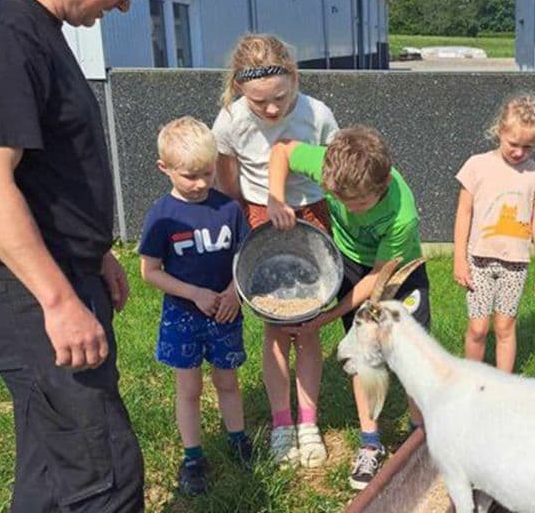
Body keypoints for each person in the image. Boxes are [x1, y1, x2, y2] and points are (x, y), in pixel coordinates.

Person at [0, 0, 180, 510]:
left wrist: (94, 250)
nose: (126, 6)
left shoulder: (35, 24)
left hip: (54, 269)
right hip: (26, 288)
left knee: (53, 466)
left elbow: (48, 167)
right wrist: (57, 301)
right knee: (101, 471)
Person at [267, 126, 430, 490]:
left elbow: (379, 279)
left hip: (396, 271)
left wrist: (326, 316)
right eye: (339, 199)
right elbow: (281, 151)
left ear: (383, 182)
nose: (349, 208)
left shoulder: (401, 215)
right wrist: (275, 199)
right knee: (362, 355)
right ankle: (370, 442)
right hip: (350, 263)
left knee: (410, 357)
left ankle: (420, 437)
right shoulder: (332, 164)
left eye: (357, 203)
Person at [212, 33, 340, 468]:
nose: (271, 110)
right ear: (239, 90)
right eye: (258, 102)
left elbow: (329, 168)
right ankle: (281, 422)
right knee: (273, 326)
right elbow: (227, 180)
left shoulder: (316, 114)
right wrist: (250, 218)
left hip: (310, 214)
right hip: (258, 217)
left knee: (307, 326)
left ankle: (308, 421)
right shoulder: (230, 121)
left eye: (279, 98)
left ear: (294, 78)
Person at [138, 117, 251, 495]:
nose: (201, 183)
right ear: (164, 169)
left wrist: (234, 292)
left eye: (207, 172)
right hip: (184, 314)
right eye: (190, 176)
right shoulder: (162, 216)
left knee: (227, 381)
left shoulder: (229, 209)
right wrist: (195, 293)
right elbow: (149, 271)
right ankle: (193, 457)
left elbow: (244, 257)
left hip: (225, 311)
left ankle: (238, 439)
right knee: (188, 387)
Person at [453, 95, 535, 372]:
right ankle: (471, 380)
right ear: (500, 131)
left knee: (505, 326)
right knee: (478, 327)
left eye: (528, 147)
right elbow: (464, 213)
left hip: (515, 264)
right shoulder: (476, 165)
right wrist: (459, 257)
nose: (519, 152)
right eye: (513, 144)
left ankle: (503, 385)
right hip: (478, 260)